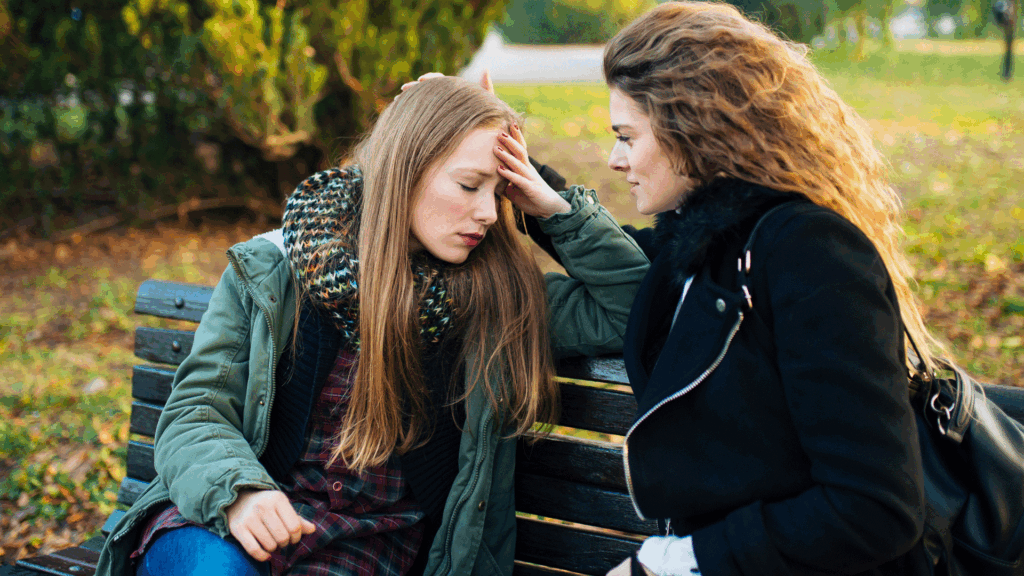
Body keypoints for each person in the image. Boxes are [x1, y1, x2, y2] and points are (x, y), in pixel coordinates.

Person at [93, 76, 649, 576]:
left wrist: (548, 205)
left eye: (498, 193)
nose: (486, 213)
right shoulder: (278, 268)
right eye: (468, 185)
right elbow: (195, 411)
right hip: (232, 529)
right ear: (402, 172)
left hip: (368, 554)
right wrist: (239, 493)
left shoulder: (501, 299)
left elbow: (633, 305)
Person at [485, 2, 950, 574]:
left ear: (691, 127)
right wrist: (524, 179)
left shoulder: (813, 254)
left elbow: (876, 506)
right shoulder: (708, 240)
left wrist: (677, 561)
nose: (614, 159)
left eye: (627, 136)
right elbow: (629, 263)